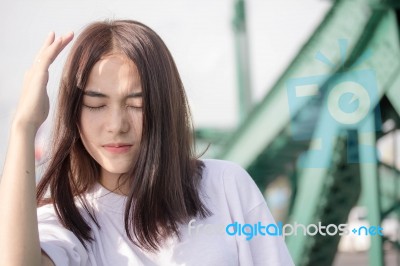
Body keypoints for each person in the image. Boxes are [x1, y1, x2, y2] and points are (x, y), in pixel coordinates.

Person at [0, 20, 294, 266]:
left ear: (165, 107)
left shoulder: (227, 185)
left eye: (137, 104)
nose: (117, 125)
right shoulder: (68, 222)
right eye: (95, 104)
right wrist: (23, 126)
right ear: (73, 112)